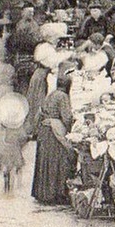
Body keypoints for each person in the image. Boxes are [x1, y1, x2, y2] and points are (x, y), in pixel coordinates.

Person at [31, 69, 78, 205]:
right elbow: (67, 117)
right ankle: (56, 193)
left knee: (45, 162)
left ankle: (43, 193)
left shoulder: (52, 94)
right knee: (59, 160)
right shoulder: (63, 96)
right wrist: (72, 127)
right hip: (54, 131)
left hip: (45, 131)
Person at [0, 93, 30, 195]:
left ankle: (6, 188)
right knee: (13, 170)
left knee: (5, 171)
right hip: (15, 152)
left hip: (3, 152)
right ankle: (12, 188)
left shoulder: (2, 127)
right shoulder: (18, 128)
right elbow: (24, 138)